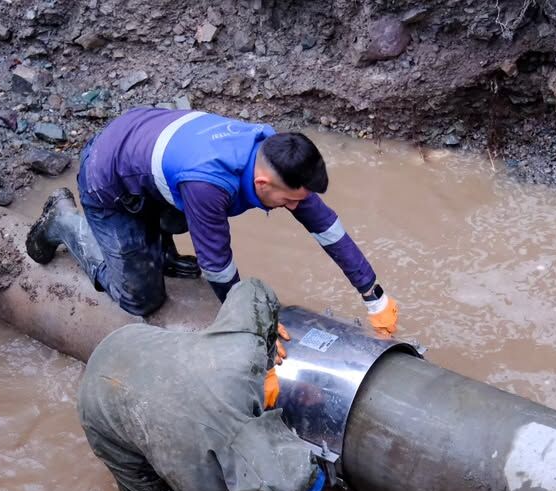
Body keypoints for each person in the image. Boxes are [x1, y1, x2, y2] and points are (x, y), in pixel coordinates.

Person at [26, 107, 399, 335]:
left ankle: (159, 249)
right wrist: (255, 325)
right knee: (141, 298)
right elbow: (217, 266)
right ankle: (65, 221)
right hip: (108, 179)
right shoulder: (209, 185)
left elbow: (325, 225)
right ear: (262, 184)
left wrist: (373, 295)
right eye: (289, 200)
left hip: (146, 148)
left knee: (185, 221)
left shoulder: (273, 151)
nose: (294, 206)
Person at [77, 278, 330, 491]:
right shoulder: (204, 488)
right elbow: (202, 489)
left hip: (131, 343)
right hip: (99, 405)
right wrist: (268, 364)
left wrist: (265, 352)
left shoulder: (241, 355)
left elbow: (253, 290)